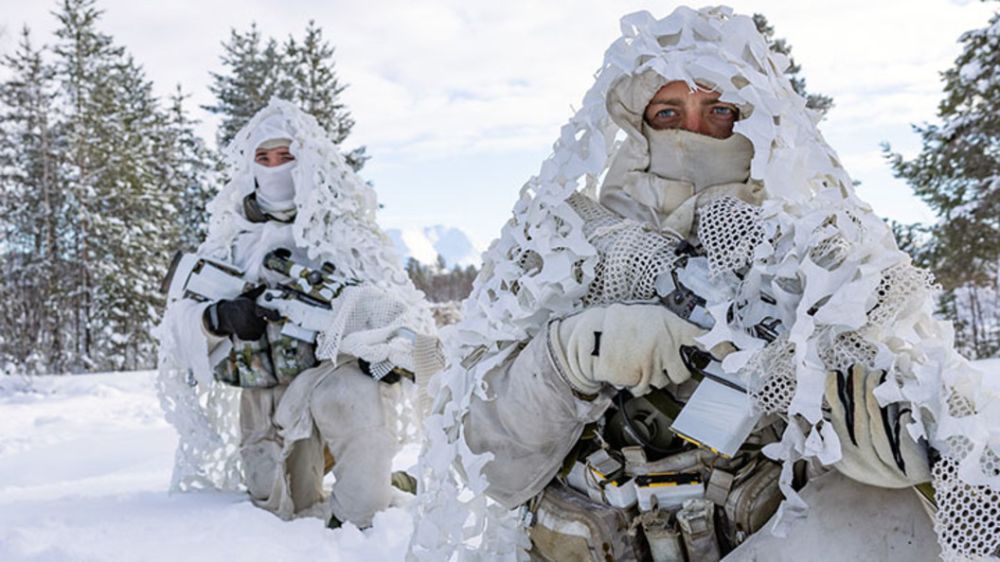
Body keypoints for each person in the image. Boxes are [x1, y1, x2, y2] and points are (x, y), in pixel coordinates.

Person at [410, 7, 986, 561]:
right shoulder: (562, 248)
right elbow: (488, 466)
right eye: (668, 112)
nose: (693, 132)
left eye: (720, 111)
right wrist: (573, 353)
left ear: (753, 121)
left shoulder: (814, 250)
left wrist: (853, 404)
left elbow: (919, 427)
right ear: (636, 124)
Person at [156, 99, 440, 529]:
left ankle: (366, 512)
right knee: (277, 504)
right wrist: (218, 318)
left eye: (285, 157)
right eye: (264, 158)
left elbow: (396, 315)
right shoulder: (234, 239)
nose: (275, 168)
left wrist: (383, 360)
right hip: (264, 392)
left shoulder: (343, 234)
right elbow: (178, 325)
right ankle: (352, 485)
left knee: (362, 492)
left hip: (332, 381)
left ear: (306, 160)